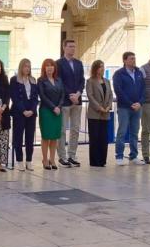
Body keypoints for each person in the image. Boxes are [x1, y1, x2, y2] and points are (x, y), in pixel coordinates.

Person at [113, 51, 146, 165]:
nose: (133, 60)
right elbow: (119, 91)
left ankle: (133, 155)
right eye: (131, 58)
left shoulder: (139, 72)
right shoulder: (119, 74)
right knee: (122, 131)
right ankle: (119, 156)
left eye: (134, 58)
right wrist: (130, 103)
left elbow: (143, 89)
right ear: (125, 60)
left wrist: (140, 103)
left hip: (137, 108)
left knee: (135, 132)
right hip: (124, 108)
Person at [57, 39, 85, 167]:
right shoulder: (58, 63)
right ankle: (62, 156)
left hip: (77, 102)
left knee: (75, 129)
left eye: (74, 46)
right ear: (64, 47)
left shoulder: (79, 63)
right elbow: (60, 81)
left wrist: (78, 94)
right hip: (65, 102)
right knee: (62, 130)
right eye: (70, 46)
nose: (72, 49)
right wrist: (70, 95)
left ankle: (72, 155)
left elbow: (82, 81)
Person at [10, 58, 39, 171]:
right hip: (19, 113)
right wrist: (23, 110)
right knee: (18, 137)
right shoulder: (14, 80)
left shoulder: (33, 80)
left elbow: (35, 97)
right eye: (25, 66)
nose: (27, 68)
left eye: (29, 66)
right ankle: (19, 161)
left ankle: (29, 161)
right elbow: (15, 97)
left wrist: (32, 110)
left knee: (29, 138)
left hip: (31, 113)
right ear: (21, 67)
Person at [38, 58, 65, 170]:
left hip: (57, 112)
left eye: (51, 65)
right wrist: (53, 107)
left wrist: (58, 107)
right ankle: (45, 160)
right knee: (46, 137)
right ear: (44, 68)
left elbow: (63, 94)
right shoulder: (41, 80)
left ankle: (52, 159)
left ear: (54, 67)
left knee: (54, 137)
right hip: (46, 111)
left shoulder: (59, 80)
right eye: (47, 65)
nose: (50, 67)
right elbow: (42, 96)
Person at [86, 60, 113, 167]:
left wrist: (108, 106)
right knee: (95, 138)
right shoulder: (90, 81)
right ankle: (94, 161)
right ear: (95, 68)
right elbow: (90, 96)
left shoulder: (107, 81)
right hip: (95, 114)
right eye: (100, 67)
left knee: (103, 138)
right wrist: (99, 107)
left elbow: (110, 95)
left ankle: (102, 160)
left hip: (105, 113)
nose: (102, 68)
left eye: (103, 66)